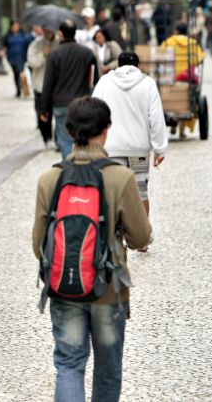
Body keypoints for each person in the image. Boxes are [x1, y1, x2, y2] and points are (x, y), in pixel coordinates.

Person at [33, 96, 152, 402]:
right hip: (109, 292)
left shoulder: (50, 179)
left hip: (63, 287)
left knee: (69, 365)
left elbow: (38, 246)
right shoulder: (121, 177)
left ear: (69, 131)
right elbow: (141, 238)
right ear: (107, 129)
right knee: (108, 369)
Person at [92, 51, 168, 215]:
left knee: (112, 193)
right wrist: (159, 148)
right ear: (138, 66)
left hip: (111, 149)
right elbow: (155, 118)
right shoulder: (148, 83)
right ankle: (141, 238)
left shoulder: (104, 82)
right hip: (138, 150)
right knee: (141, 194)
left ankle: (114, 236)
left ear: (118, 65)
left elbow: (93, 111)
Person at [40, 19, 99, 160]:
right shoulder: (87, 53)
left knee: (65, 141)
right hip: (82, 103)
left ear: (60, 34)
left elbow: (48, 83)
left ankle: (69, 170)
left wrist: (44, 109)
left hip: (60, 104)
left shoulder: (54, 55)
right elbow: (94, 80)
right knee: (83, 139)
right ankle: (84, 168)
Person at [27, 26, 58, 145]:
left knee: (58, 113)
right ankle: (46, 136)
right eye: (45, 29)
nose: (48, 32)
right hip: (40, 84)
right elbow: (31, 63)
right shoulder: (35, 44)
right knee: (42, 113)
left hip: (56, 84)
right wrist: (43, 55)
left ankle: (58, 139)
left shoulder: (59, 42)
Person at [1, 20, 30, 98]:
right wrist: (2, 51)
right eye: (14, 26)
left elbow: (27, 45)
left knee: (21, 73)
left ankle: (23, 88)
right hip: (11, 57)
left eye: (17, 25)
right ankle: (18, 89)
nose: (16, 27)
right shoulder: (8, 36)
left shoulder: (23, 34)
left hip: (21, 57)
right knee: (16, 74)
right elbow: (4, 45)